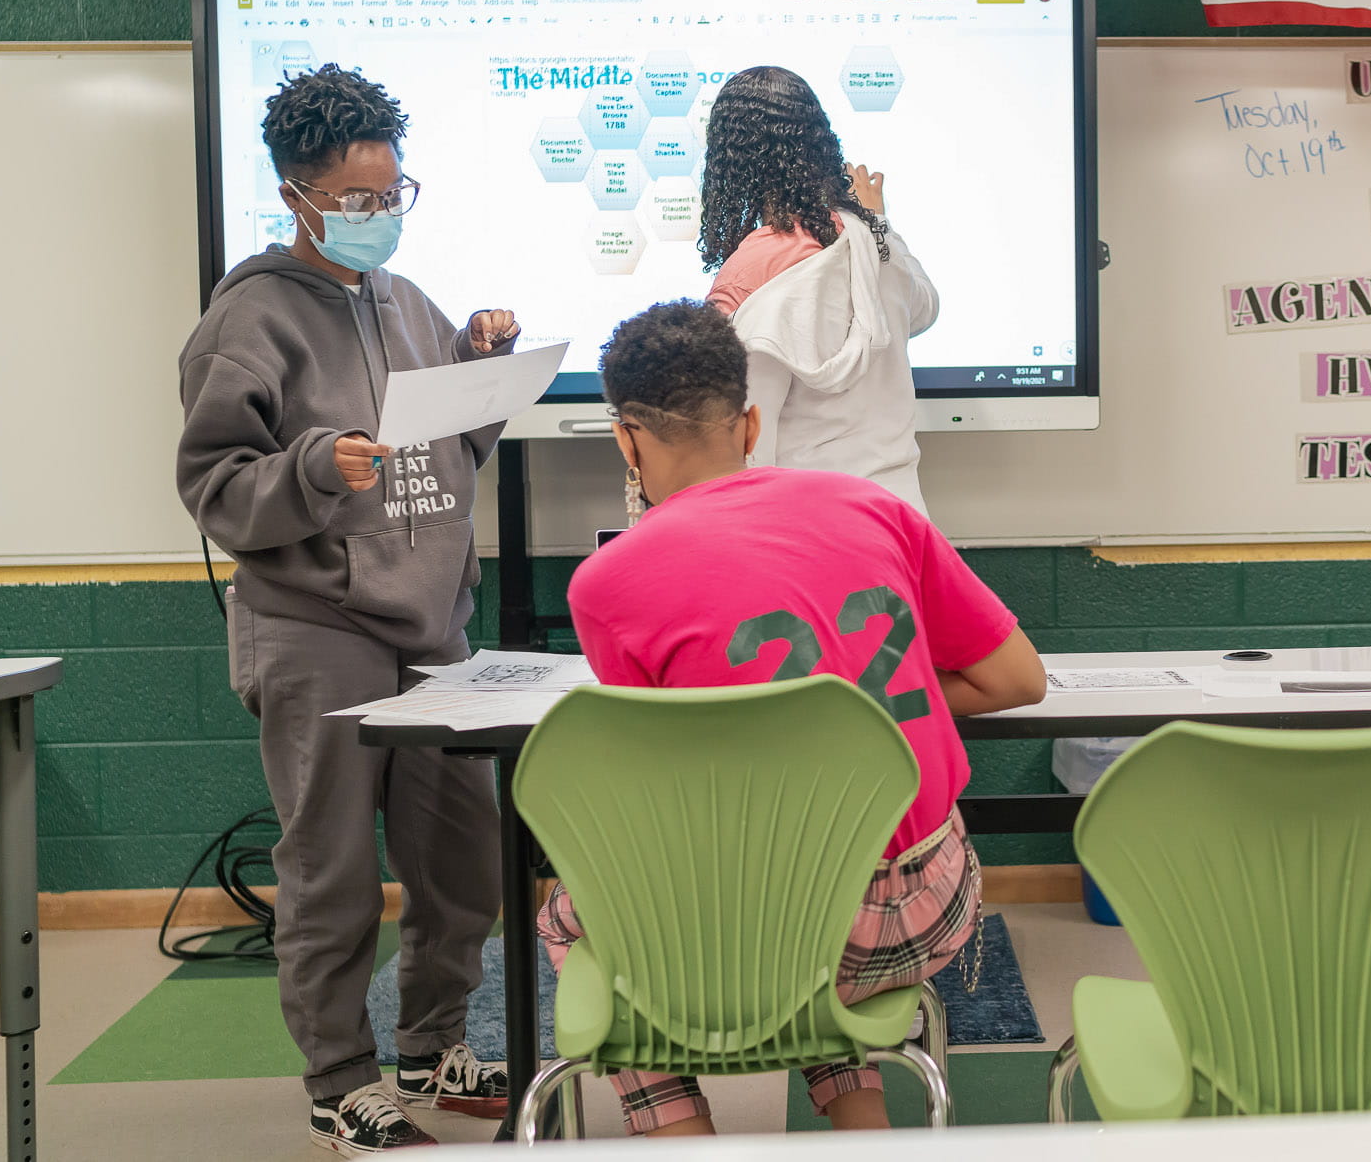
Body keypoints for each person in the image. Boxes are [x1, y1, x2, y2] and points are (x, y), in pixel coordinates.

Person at [537, 300, 1046, 1137]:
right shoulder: (877, 511)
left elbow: (656, 788)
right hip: (928, 903)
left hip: (769, 925)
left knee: (590, 902)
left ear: (625, 439)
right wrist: (863, 700)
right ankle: (859, 1116)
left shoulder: (606, 584)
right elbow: (1017, 679)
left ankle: (679, 1133)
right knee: (800, 857)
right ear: (749, 424)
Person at [177, 64, 518, 1154]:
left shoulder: (407, 304)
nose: (381, 217)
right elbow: (214, 485)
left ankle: (431, 1045)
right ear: (299, 197)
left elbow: (443, 454)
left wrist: (479, 373)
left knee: (460, 859)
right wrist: (318, 467)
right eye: (359, 201)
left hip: (433, 627)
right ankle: (339, 1078)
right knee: (329, 870)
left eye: (394, 193)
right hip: (315, 630)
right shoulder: (248, 320)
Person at [699, 65, 939, 512]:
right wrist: (880, 221)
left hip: (807, 526)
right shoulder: (873, 242)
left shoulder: (749, 272)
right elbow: (924, 309)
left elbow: (745, 443)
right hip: (900, 518)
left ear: (731, 161)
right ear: (820, 143)